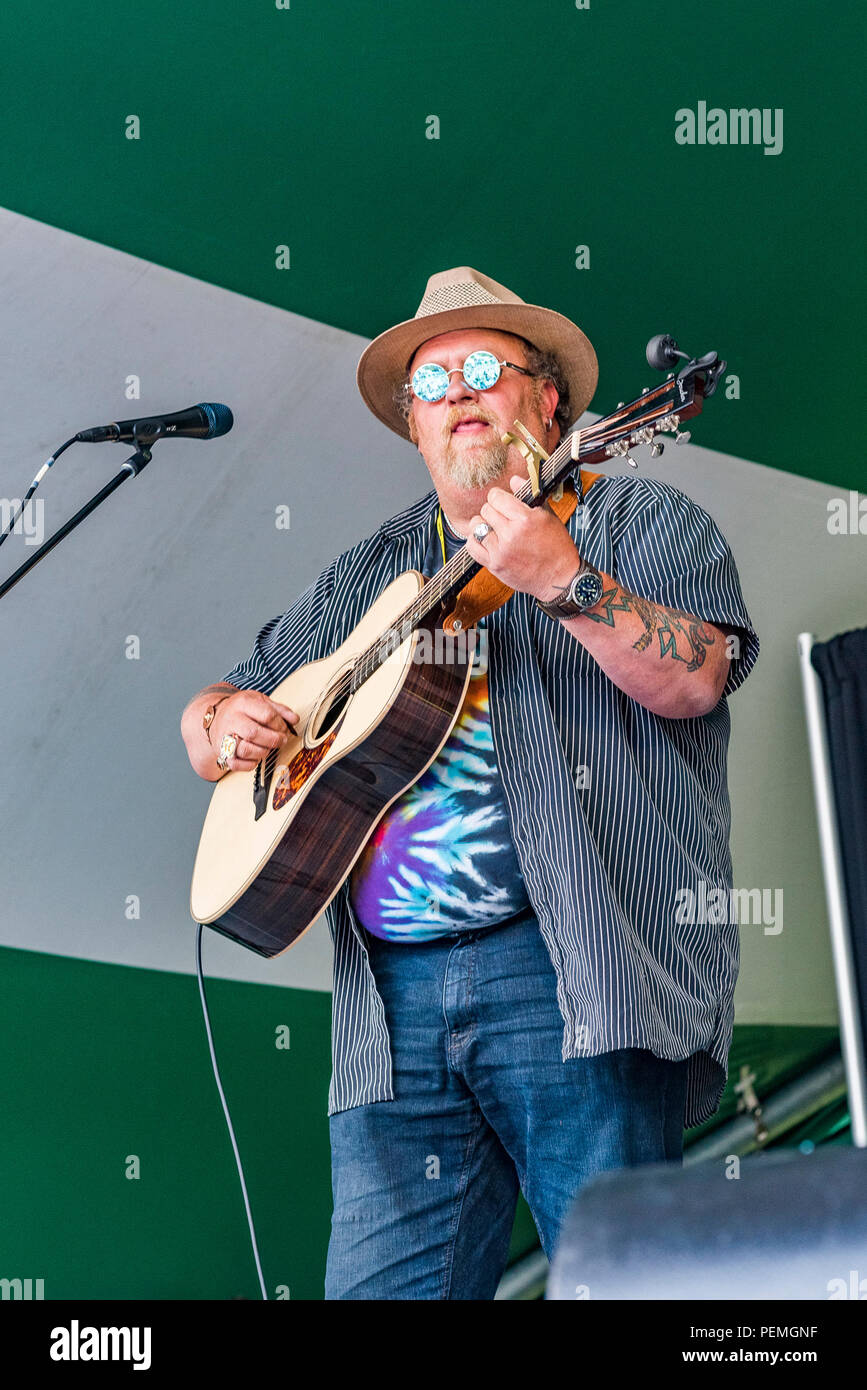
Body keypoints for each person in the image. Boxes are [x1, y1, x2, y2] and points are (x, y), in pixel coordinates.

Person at [181, 266, 760, 1299]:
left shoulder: (644, 522)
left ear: (548, 398)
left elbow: (698, 677)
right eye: (434, 380)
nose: (460, 392)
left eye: (488, 367)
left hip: (575, 970)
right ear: (414, 424)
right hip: (389, 1013)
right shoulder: (367, 572)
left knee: (625, 1286)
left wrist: (561, 579)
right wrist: (220, 719)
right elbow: (222, 705)